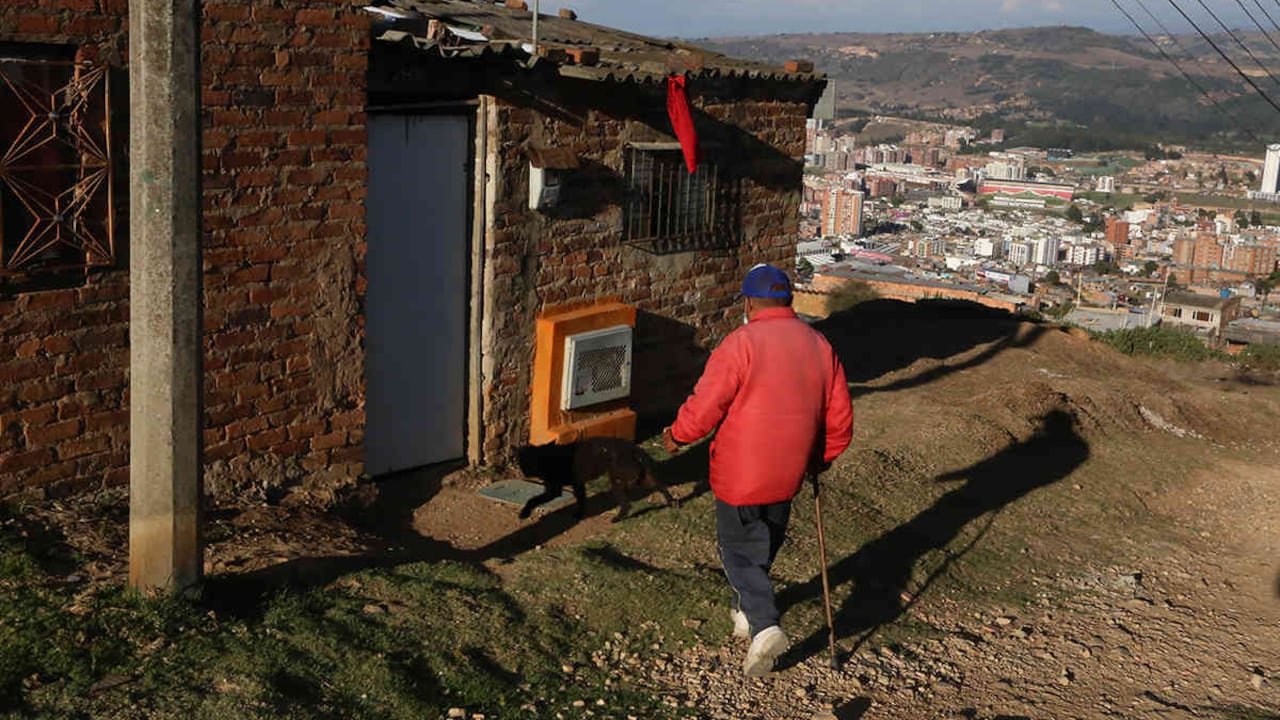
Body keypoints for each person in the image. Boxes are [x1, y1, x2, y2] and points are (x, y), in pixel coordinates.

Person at [663, 263, 854, 677]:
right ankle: (744, 611)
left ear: (749, 302)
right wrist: (822, 457)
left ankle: (765, 625)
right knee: (763, 542)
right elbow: (839, 415)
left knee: (737, 550)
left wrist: (678, 435)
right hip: (790, 469)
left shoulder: (741, 343)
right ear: (789, 300)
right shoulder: (819, 344)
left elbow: (707, 402)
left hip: (740, 470)